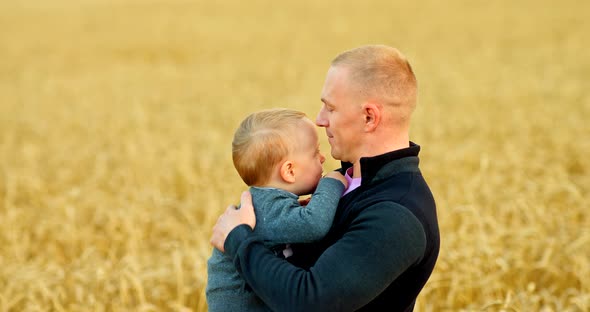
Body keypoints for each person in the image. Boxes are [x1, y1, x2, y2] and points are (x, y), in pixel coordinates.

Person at [210, 45, 440, 311]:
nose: (320, 120)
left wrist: (237, 240)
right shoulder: (350, 181)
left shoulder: (396, 215)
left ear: (369, 117)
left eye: (330, 108)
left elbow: (310, 302)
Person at [206, 108, 349, 311]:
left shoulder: (265, 204)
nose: (323, 157)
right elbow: (313, 225)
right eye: (315, 152)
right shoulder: (267, 210)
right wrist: (332, 183)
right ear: (289, 171)